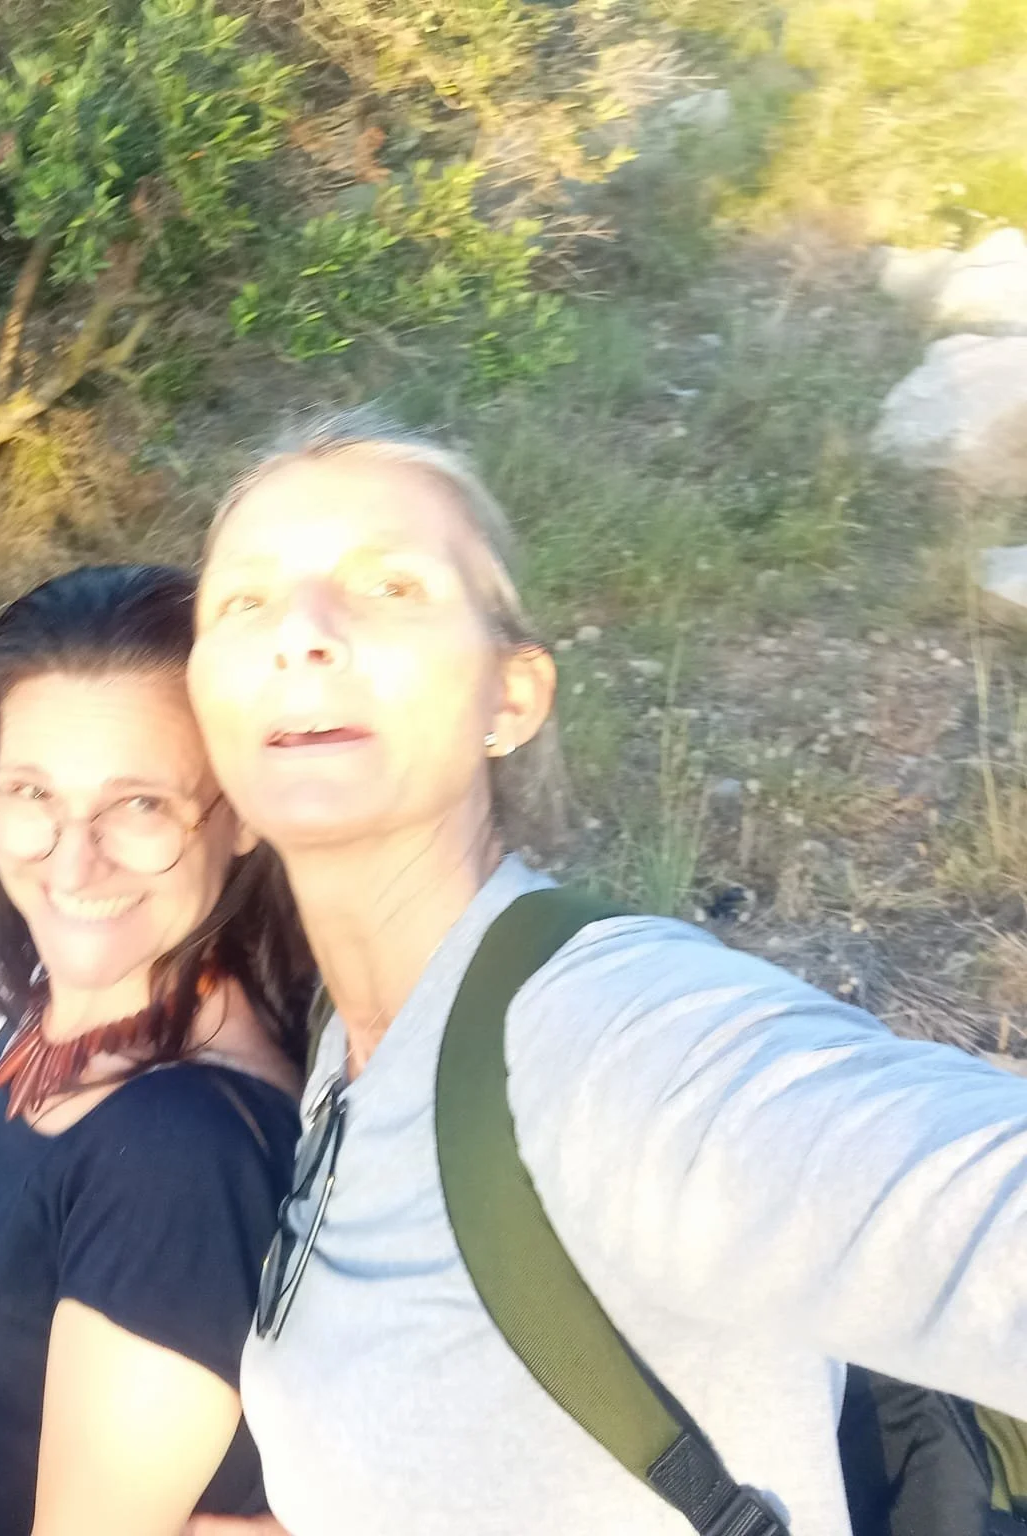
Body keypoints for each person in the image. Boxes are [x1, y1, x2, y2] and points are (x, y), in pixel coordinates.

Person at [182, 412, 1027, 1536]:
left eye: (390, 586)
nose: (302, 631)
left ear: (512, 696)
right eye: (244, 600)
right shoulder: (346, 1042)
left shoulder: (612, 1043)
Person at [0, 564, 316, 1536]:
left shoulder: (178, 1162)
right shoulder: (65, 1010)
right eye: (31, 791)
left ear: (241, 813)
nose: (73, 857)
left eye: (140, 805)